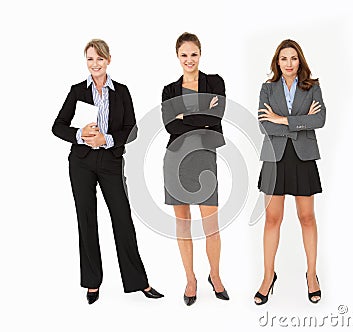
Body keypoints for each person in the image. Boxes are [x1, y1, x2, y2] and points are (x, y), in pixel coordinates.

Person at [52, 39, 163, 304]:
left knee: (122, 219)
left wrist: (108, 139)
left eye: (99, 59)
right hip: (81, 163)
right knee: (86, 219)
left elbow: (132, 130)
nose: (95, 64)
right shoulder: (77, 90)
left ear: (108, 60)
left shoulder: (121, 92)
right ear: (86, 62)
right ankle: (92, 283)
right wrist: (79, 134)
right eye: (90, 59)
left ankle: (140, 282)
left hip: (111, 162)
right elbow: (58, 126)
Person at [256, 39, 326, 305]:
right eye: (284, 59)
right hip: (274, 159)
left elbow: (319, 120)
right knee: (272, 219)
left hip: (303, 158)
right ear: (277, 62)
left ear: (300, 61)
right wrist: (300, 122)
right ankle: (267, 276)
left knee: (307, 217)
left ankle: (311, 276)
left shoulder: (313, 87)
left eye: (293, 58)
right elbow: (264, 125)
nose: (288, 63)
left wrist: (282, 119)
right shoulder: (267, 88)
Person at [161, 32, 229, 306]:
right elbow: (169, 125)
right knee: (183, 224)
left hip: (204, 158)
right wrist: (201, 118)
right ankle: (191, 279)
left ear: (200, 54)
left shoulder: (215, 82)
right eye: (184, 55)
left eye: (193, 54)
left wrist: (184, 117)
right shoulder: (169, 90)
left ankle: (215, 274)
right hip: (176, 159)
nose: (189, 59)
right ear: (177, 57)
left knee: (210, 225)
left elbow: (217, 116)